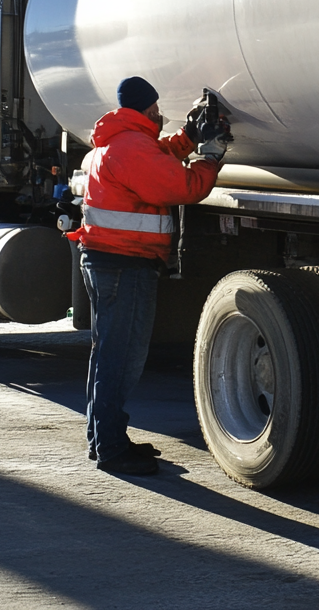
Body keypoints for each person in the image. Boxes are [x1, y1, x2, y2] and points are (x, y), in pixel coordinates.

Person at [68, 76, 230, 475]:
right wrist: (210, 155)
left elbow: (159, 156)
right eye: (157, 110)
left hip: (111, 262)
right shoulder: (130, 148)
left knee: (109, 355)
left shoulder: (120, 142)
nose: (161, 116)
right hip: (125, 264)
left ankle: (105, 439)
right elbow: (183, 184)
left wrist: (189, 137)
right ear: (146, 109)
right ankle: (110, 448)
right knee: (120, 358)